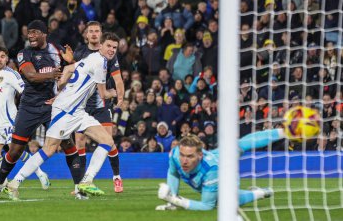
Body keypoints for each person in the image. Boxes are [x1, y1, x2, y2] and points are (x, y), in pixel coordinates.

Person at [3, 32, 120, 200]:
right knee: (49, 149)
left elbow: (70, 69)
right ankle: (14, 183)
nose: (111, 50)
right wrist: (115, 93)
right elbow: (103, 94)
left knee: (108, 141)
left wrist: (60, 89)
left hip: (77, 111)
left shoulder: (92, 57)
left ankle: (86, 181)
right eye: (108, 46)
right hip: (66, 111)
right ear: (100, 45)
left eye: (114, 48)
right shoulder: (101, 63)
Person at [0, 20, 81, 200]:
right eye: (29, 32)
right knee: (14, 151)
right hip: (29, 106)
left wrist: (72, 62)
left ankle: (79, 188)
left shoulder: (56, 49)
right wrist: (51, 75)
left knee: (67, 144)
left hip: (52, 106)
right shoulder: (24, 53)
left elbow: (75, 72)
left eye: (35, 32)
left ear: (45, 33)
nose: (31, 35)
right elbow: (30, 76)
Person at [0, 47, 49, 190]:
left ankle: (40, 173)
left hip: (10, 120)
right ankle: (3, 184)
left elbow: (25, 90)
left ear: (6, 59)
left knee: (15, 151)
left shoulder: (12, 74)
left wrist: (30, 109)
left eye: (2, 56)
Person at [156, 129, 290, 210]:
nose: (184, 160)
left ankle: (261, 193)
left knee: (225, 202)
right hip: (217, 153)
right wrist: (172, 199)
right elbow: (173, 172)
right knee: (239, 144)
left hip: (226, 170)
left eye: (189, 156)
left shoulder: (211, 170)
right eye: (182, 155)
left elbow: (207, 206)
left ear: (200, 155)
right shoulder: (174, 155)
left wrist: (175, 200)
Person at [63, 21, 125, 193]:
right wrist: (70, 62)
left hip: (102, 106)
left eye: (97, 31)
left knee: (109, 142)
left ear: (101, 33)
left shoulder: (109, 54)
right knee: (80, 142)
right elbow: (75, 74)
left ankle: (117, 178)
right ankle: (81, 183)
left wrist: (120, 95)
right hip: (82, 106)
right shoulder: (80, 52)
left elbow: (118, 79)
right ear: (86, 34)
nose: (94, 34)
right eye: (91, 31)